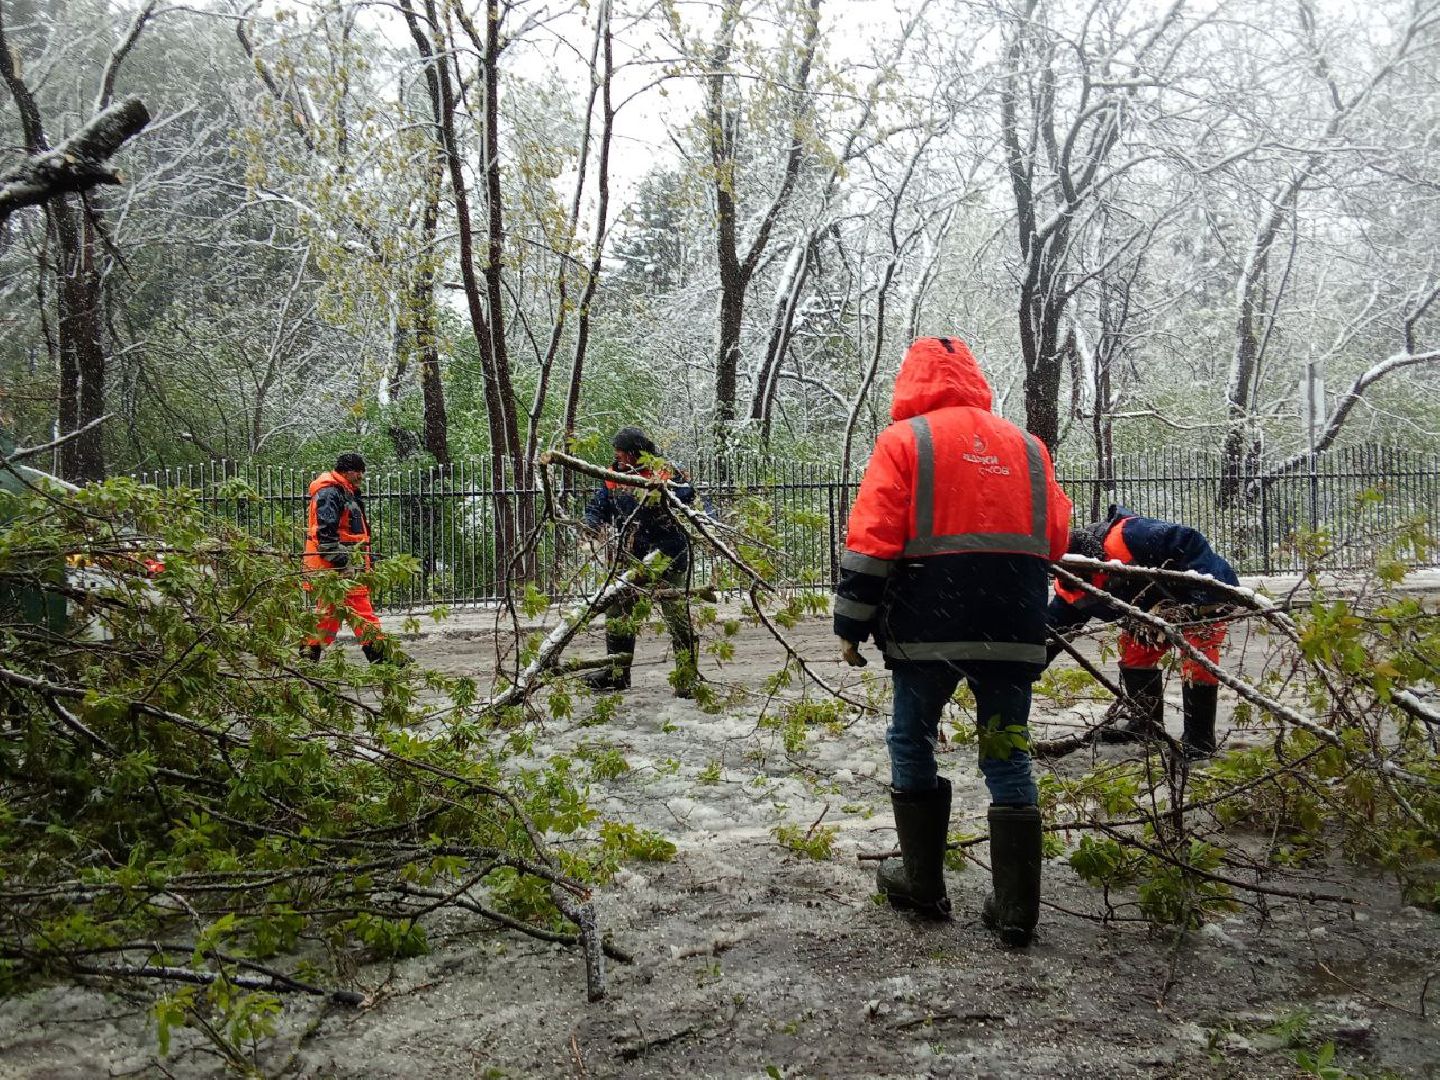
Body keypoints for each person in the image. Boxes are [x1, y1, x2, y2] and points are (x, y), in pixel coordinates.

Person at [834, 337, 1072, 947]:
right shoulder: (1028, 446)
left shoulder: (905, 441)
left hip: (928, 625)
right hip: (1013, 623)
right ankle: (1016, 911)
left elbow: (873, 537)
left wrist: (851, 624)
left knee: (912, 738)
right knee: (1007, 750)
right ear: (974, 378)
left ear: (911, 381)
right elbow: (1055, 538)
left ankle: (922, 883)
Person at [1047, 506, 1239, 759]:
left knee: (1197, 660)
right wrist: (1025, 665)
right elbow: (1052, 633)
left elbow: (1188, 540)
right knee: (1134, 653)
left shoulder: (1131, 534)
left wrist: (1202, 600)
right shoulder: (1071, 589)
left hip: (1205, 598)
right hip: (1148, 614)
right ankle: (1146, 725)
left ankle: (1199, 740)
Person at [582, 427, 701, 698]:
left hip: (668, 553)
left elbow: (687, 495)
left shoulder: (664, 472)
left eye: (621, 452)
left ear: (635, 453)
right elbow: (599, 505)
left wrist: (660, 490)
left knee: (676, 616)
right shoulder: (613, 476)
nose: (617, 456)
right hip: (633, 555)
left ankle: (687, 678)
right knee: (618, 612)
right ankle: (617, 673)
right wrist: (591, 523)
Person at [302, 452, 402, 665]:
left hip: (334, 566)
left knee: (328, 616)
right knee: (360, 612)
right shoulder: (331, 492)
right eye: (358, 472)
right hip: (338, 568)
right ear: (348, 472)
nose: (361, 477)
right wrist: (342, 562)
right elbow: (325, 535)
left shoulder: (339, 491)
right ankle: (382, 658)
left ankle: (308, 658)